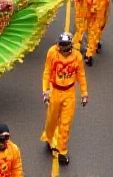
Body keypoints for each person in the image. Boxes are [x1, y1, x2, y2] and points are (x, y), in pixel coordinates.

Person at [41, 32, 88, 165]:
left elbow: (81, 75)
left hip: (69, 92)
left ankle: (62, 151)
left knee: (65, 123)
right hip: (55, 90)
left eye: (65, 45)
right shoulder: (52, 53)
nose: (63, 48)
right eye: (61, 45)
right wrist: (45, 90)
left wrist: (84, 93)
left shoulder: (77, 57)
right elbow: (47, 72)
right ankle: (49, 138)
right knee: (52, 119)